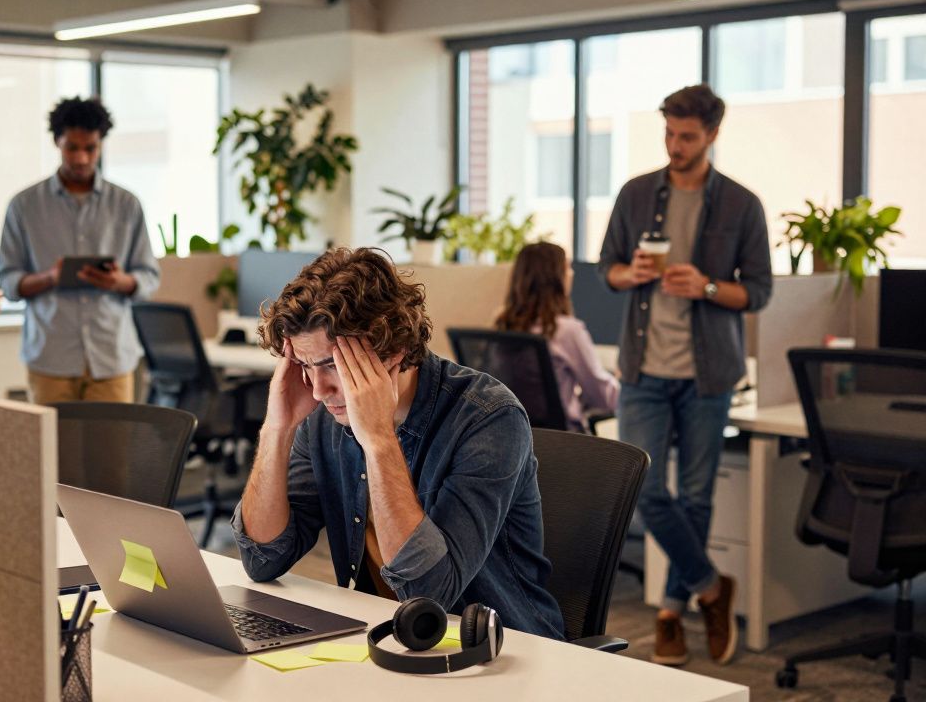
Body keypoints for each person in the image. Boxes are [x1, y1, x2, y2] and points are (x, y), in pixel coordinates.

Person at [233, 247, 566, 640]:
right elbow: (262, 558)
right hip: (387, 640)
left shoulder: (488, 418)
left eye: (331, 366)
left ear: (393, 349)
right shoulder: (323, 417)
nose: (318, 390)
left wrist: (377, 438)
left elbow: (428, 592)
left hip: (498, 651)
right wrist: (278, 427)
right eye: (305, 366)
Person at [598, 83, 772, 666]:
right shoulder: (636, 192)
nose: (676, 145)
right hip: (643, 369)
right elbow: (608, 269)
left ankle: (670, 613)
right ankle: (710, 587)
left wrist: (708, 287)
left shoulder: (742, 205)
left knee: (696, 498)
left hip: (709, 374)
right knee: (643, 487)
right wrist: (632, 275)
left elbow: (760, 292)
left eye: (687, 136)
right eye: (669, 134)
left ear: (713, 135)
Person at [0, 97, 160, 404]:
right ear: (57, 142)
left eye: (91, 148)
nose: (82, 158)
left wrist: (120, 282)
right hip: (50, 359)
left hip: (111, 357)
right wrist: (50, 277)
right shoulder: (24, 206)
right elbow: (8, 281)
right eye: (72, 148)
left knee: (112, 453)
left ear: (101, 145)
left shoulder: (127, 204)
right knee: (54, 452)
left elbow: (148, 276)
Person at [495, 241, 619, 433]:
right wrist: (626, 387)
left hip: (515, 436)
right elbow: (601, 396)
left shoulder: (502, 325)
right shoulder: (566, 330)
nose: (572, 273)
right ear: (554, 278)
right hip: (562, 443)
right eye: (567, 267)